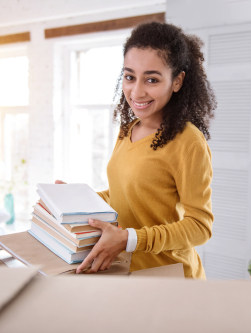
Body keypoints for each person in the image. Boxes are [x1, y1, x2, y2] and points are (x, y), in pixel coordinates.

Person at [60, 21, 216, 279]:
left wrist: (129, 239)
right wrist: (76, 201)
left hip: (171, 277)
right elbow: (123, 195)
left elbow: (200, 227)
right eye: (130, 77)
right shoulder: (127, 130)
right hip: (125, 272)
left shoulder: (188, 141)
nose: (137, 91)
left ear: (177, 81)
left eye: (152, 79)